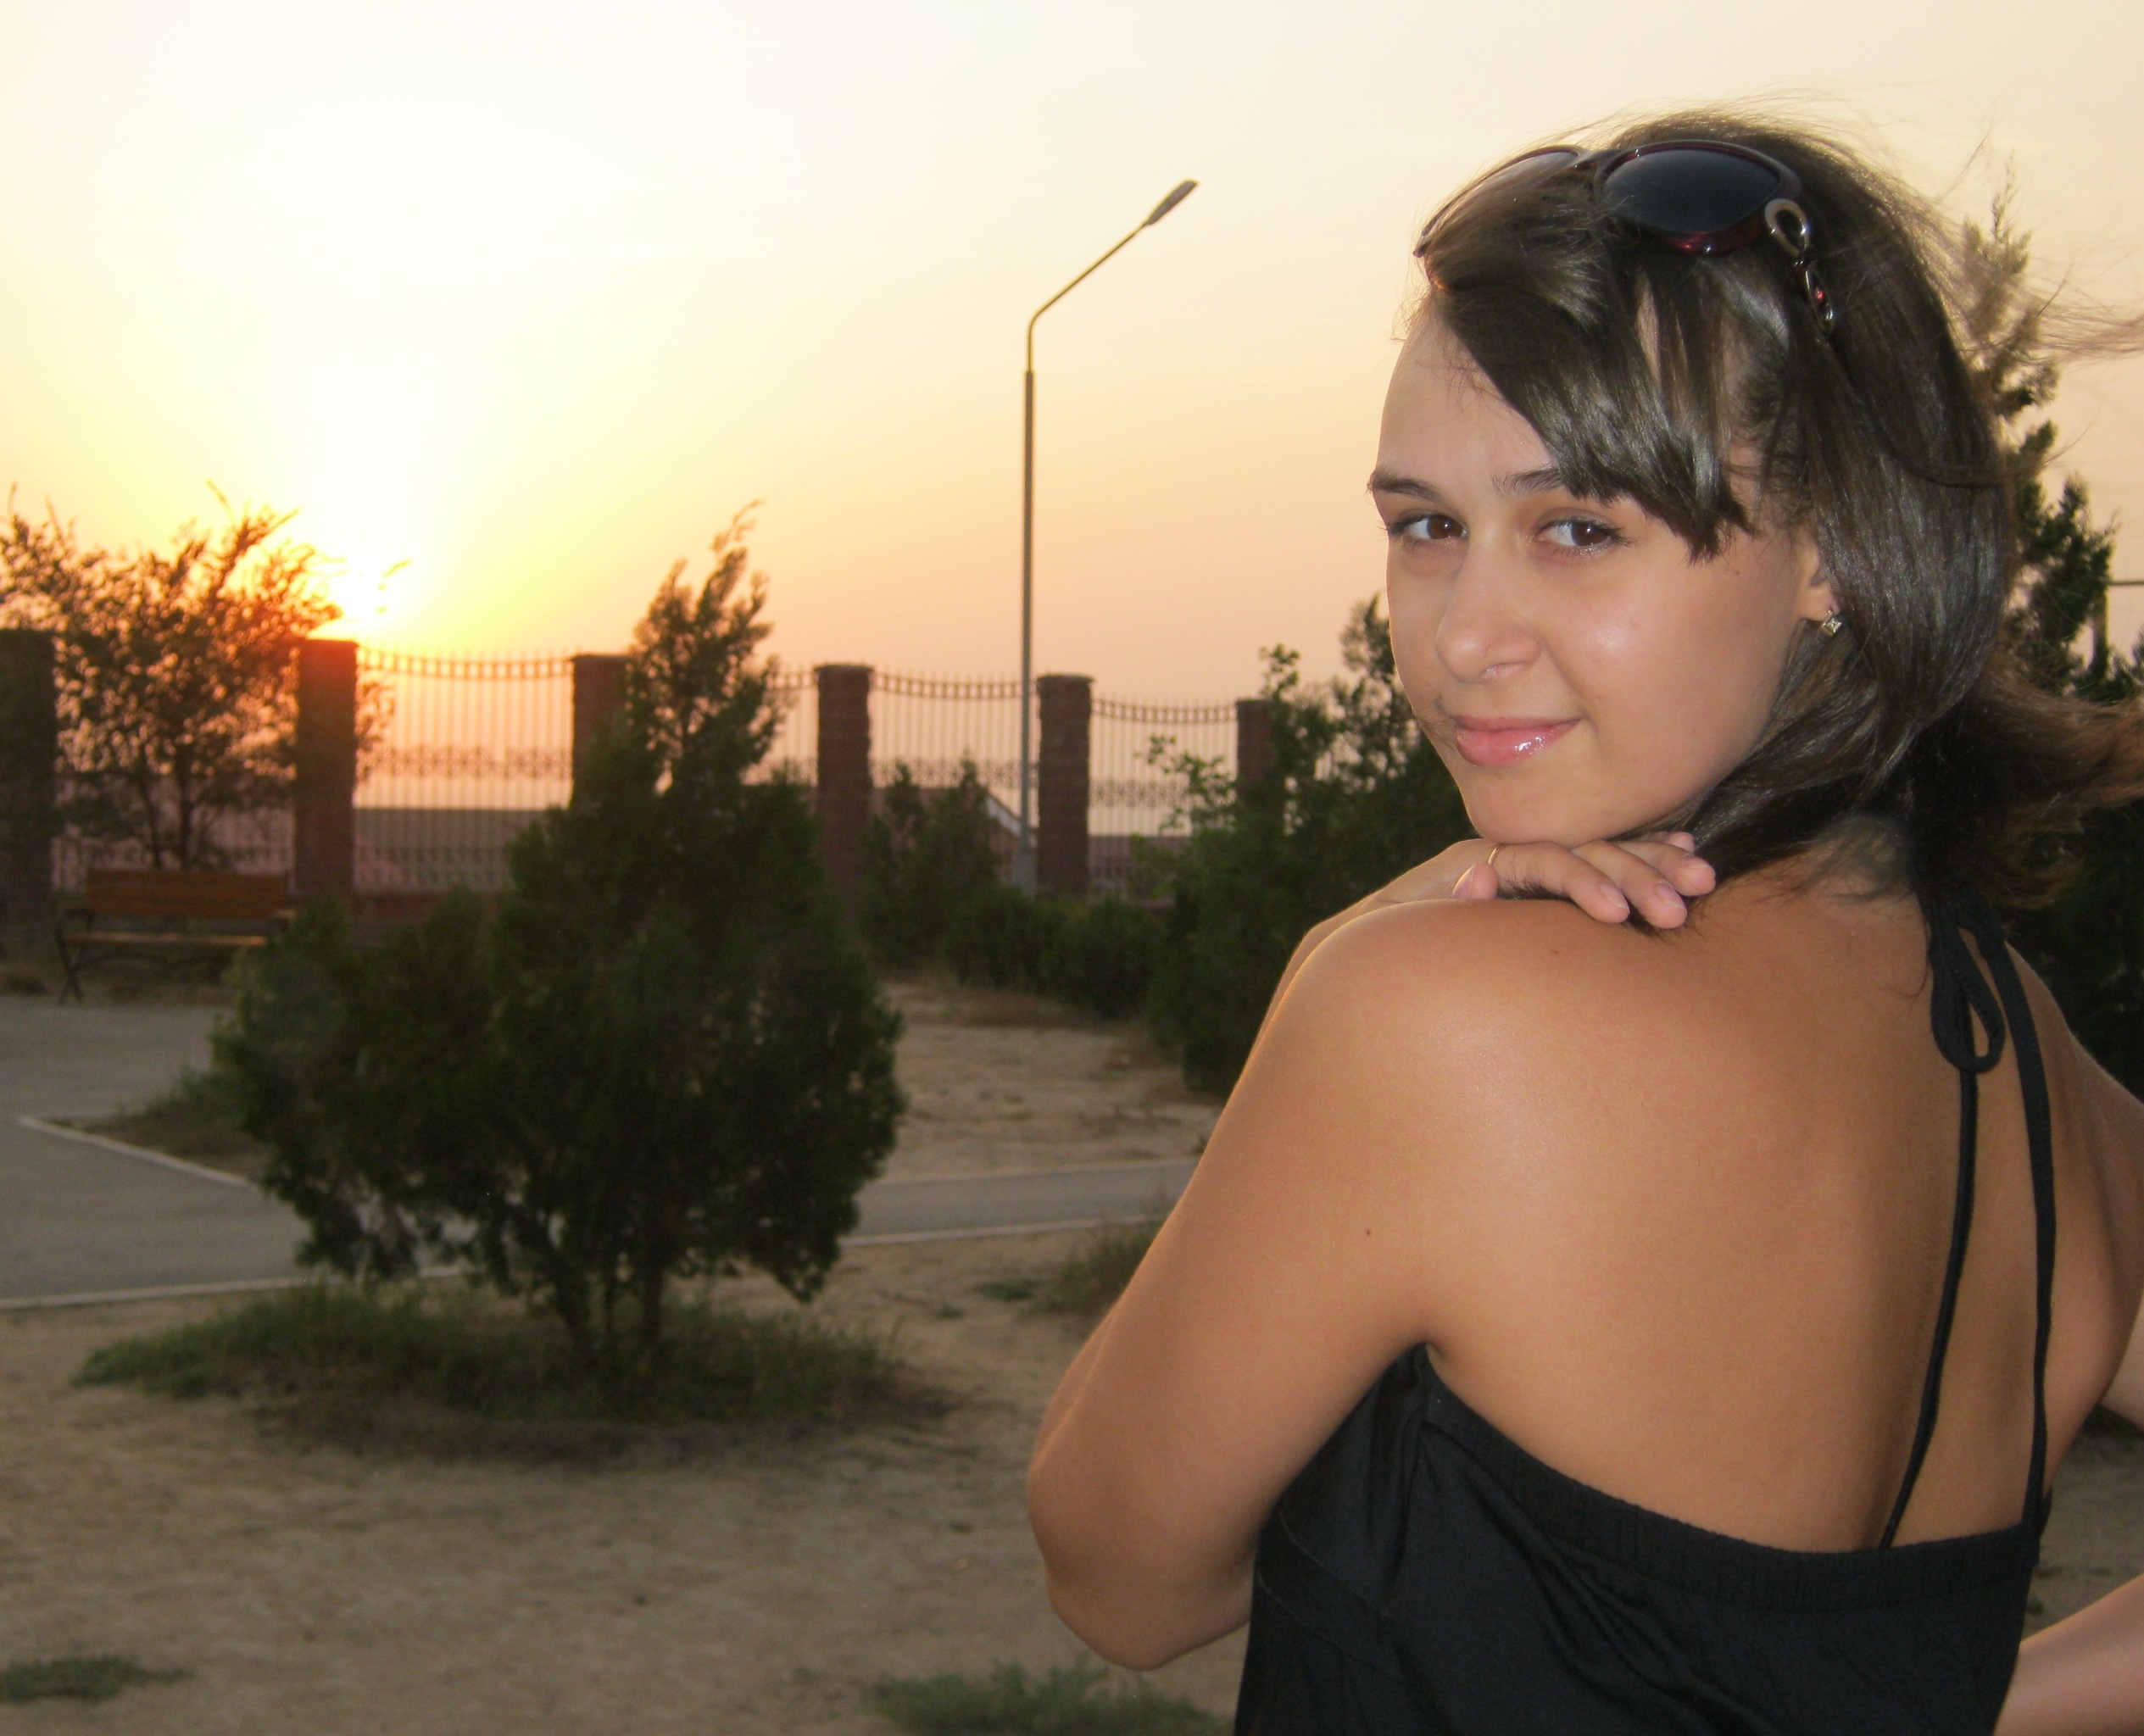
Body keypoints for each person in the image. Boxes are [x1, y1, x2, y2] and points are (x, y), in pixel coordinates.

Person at [1026, 109, 2144, 1735]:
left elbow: (1121, 1580)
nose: (1461, 635)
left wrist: (1341, 950)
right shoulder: (2026, 1063)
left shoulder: (1438, 1022)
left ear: (1833, 547)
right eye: (1425, 526)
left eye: (1576, 529)